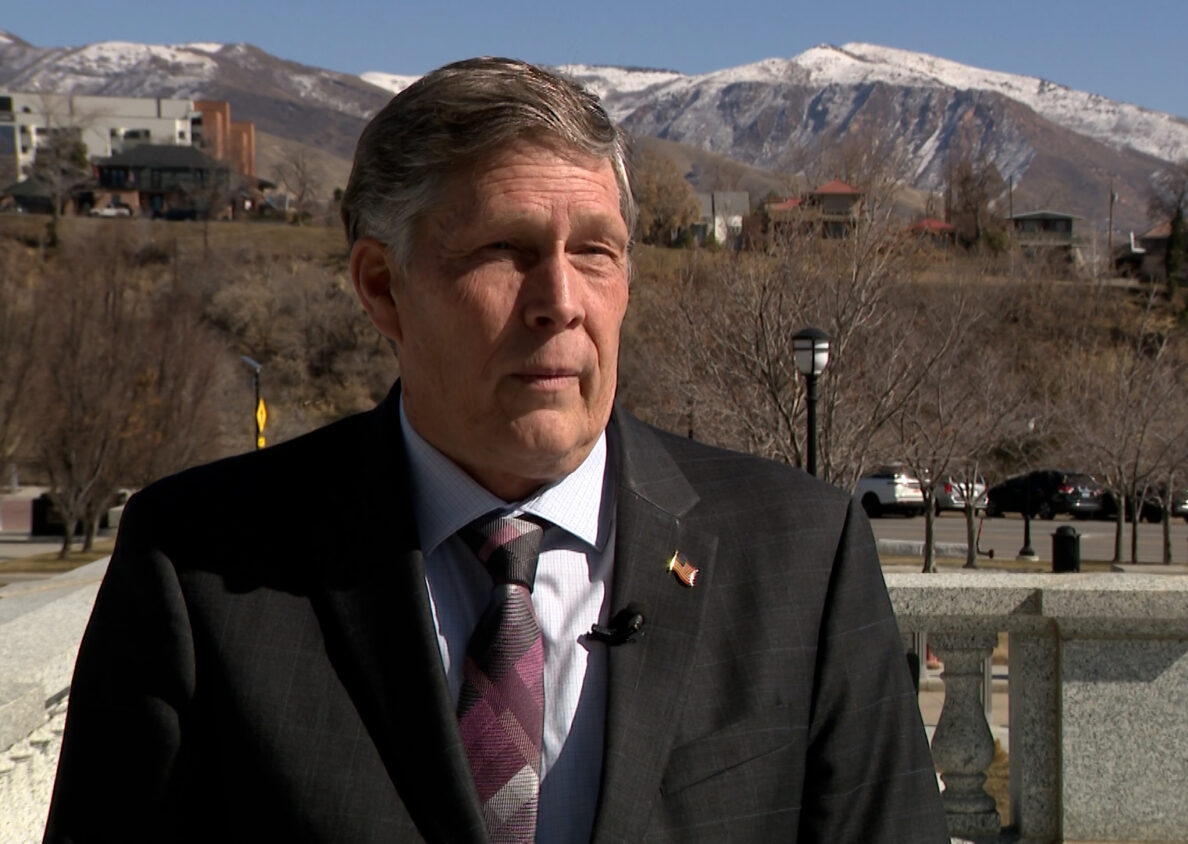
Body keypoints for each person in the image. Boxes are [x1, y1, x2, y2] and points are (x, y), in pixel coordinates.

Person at [44, 57, 947, 843]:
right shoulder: (202, 565)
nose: (561, 300)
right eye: (505, 251)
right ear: (382, 287)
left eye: (595, 251)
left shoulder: (801, 555)